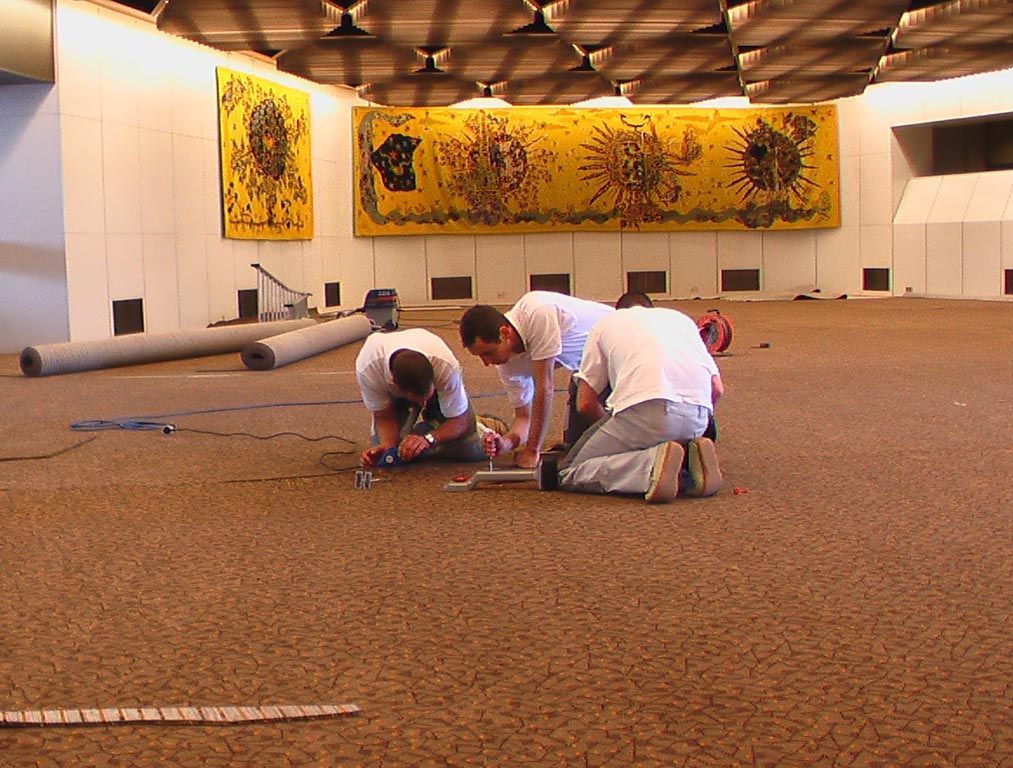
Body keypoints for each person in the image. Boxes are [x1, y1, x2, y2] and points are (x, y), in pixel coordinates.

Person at [556, 305, 724, 503]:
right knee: (660, 440)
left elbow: (585, 403)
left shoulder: (603, 325)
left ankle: (650, 467)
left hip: (646, 409)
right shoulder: (681, 320)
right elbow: (717, 389)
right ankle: (689, 468)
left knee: (569, 471)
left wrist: (611, 432)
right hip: (698, 417)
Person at [459, 291, 613, 468]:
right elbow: (524, 418)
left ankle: (624, 438)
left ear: (504, 333)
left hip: (620, 348)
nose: (486, 363)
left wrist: (532, 449)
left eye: (488, 353)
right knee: (576, 447)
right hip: (590, 366)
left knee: (589, 411)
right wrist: (506, 443)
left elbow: (545, 387)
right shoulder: (506, 364)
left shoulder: (538, 313)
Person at [355, 328, 487, 468]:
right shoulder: (368, 368)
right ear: (395, 384)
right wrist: (387, 446)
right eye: (418, 399)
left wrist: (428, 439)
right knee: (389, 458)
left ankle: (484, 423)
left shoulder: (444, 364)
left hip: (439, 391)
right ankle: (431, 427)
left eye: (425, 398)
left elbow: (459, 421)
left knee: (472, 451)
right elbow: (384, 417)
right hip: (392, 392)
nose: (423, 403)